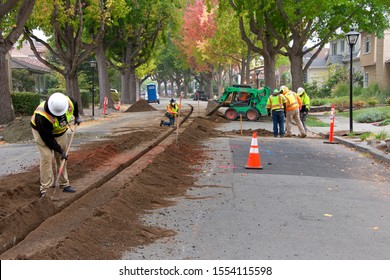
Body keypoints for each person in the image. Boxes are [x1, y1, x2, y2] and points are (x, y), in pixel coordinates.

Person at [31, 92, 81, 197]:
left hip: (61, 132)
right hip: (42, 133)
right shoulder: (42, 116)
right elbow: (48, 139)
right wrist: (60, 150)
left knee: (62, 158)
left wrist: (77, 116)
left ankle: (64, 183)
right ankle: (46, 188)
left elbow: (75, 104)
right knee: (46, 157)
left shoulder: (68, 102)